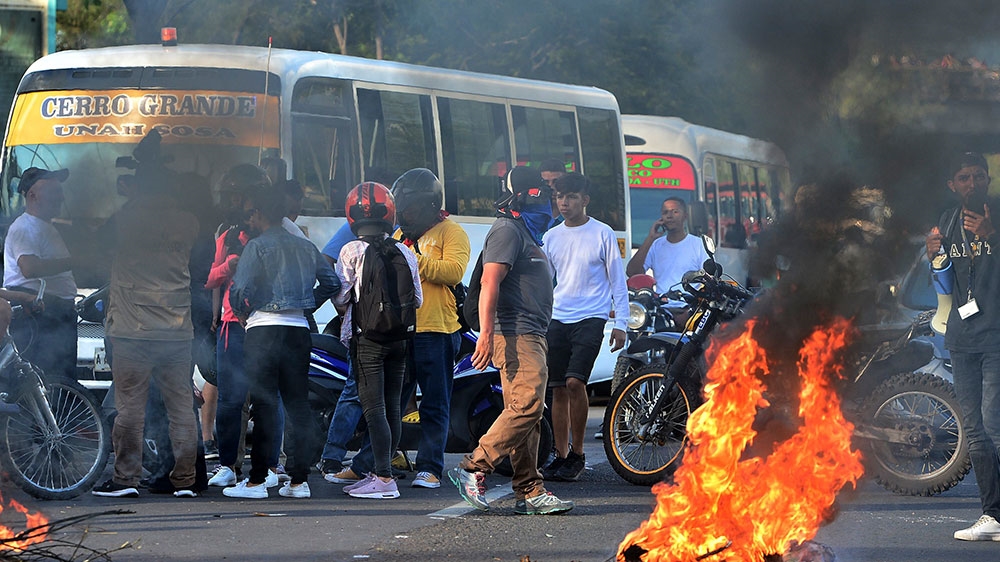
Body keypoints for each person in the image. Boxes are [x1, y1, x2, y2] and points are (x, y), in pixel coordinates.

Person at [448, 166, 574, 515]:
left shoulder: (528, 233)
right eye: (541, 192)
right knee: (529, 405)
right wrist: (485, 336)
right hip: (515, 333)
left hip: (531, 332)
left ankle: (529, 491)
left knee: (526, 414)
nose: (548, 200)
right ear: (521, 195)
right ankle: (474, 465)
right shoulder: (507, 230)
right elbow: (490, 282)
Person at [223, 185, 340, 500]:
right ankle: (298, 481)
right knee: (298, 405)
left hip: (264, 329)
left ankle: (257, 480)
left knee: (264, 405)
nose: (249, 218)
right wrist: (305, 303)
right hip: (299, 330)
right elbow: (332, 281)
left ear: (260, 213)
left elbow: (239, 288)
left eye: (251, 212)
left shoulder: (258, 246)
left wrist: (243, 313)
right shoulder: (304, 245)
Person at [92, 168, 201, 498]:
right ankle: (185, 479)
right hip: (177, 328)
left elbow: (98, 243)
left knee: (130, 408)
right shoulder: (189, 222)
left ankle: (126, 478)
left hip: (132, 329)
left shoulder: (127, 219)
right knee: (181, 408)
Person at [926, 152, 1000, 541]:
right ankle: (992, 515)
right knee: (974, 430)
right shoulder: (947, 221)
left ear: (988, 179)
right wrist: (933, 259)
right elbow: (944, 284)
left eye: (978, 176)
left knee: (996, 425)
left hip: (997, 337)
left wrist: (992, 236)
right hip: (962, 338)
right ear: (952, 185)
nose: (973, 183)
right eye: (964, 178)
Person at [334, 182, 422, 499]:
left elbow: (343, 297)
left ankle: (384, 479)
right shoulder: (405, 251)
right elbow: (419, 300)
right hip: (400, 339)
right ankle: (380, 473)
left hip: (367, 340)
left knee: (374, 411)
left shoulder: (351, 252)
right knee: (393, 409)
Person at [541, 172, 628, 482]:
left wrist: (621, 323)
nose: (564, 203)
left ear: (585, 200)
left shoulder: (603, 233)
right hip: (558, 317)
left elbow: (618, 280)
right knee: (557, 389)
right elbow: (545, 281)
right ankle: (561, 454)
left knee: (576, 383)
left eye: (571, 197)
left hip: (591, 318)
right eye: (559, 197)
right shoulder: (551, 237)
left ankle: (578, 453)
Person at [390, 168, 470, 489]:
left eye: (410, 209)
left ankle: (430, 469)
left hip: (438, 331)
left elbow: (453, 272)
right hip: (402, 330)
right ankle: (386, 461)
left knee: (435, 402)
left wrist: (412, 260)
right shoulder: (398, 236)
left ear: (429, 206)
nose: (404, 215)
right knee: (394, 400)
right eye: (401, 209)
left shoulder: (452, 232)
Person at [205, 165, 284, 489]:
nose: (239, 204)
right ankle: (228, 464)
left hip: (265, 323)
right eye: (234, 197)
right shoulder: (226, 234)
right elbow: (211, 279)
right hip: (231, 327)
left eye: (243, 197)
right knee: (230, 399)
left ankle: (271, 464)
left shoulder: (281, 233)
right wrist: (228, 266)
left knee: (268, 397)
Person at [3, 167, 81, 382]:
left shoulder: (46, 226)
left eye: (60, 190)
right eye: (53, 191)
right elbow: (29, 268)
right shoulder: (24, 227)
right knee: (41, 381)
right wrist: (76, 262)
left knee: (60, 381)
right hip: (39, 315)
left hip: (54, 314)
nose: (60, 196)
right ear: (32, 195)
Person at [626, 196, 709, 294]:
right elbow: (632, 273)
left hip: (691, 306)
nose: (669, 216)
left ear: (685, 216)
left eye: (675, 212)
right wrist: (650, 238)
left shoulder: (699, 245)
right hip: (661, 305)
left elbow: (709, 278)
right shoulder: (655, 245)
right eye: (665, 212)